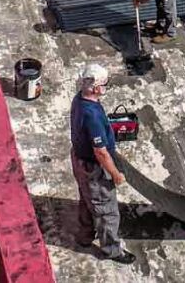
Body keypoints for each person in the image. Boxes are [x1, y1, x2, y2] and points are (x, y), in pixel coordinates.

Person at [69, 63, 135, 265]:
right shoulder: (93, 116)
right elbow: (100, 152)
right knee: (106, 211)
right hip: (92, 167)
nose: (106, 87)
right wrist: (115, 174)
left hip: (78, 159)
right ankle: (112, 250)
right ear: (96, 88)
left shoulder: (79, 99)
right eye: (105, 84)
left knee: (87, 200)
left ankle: (85, 236)